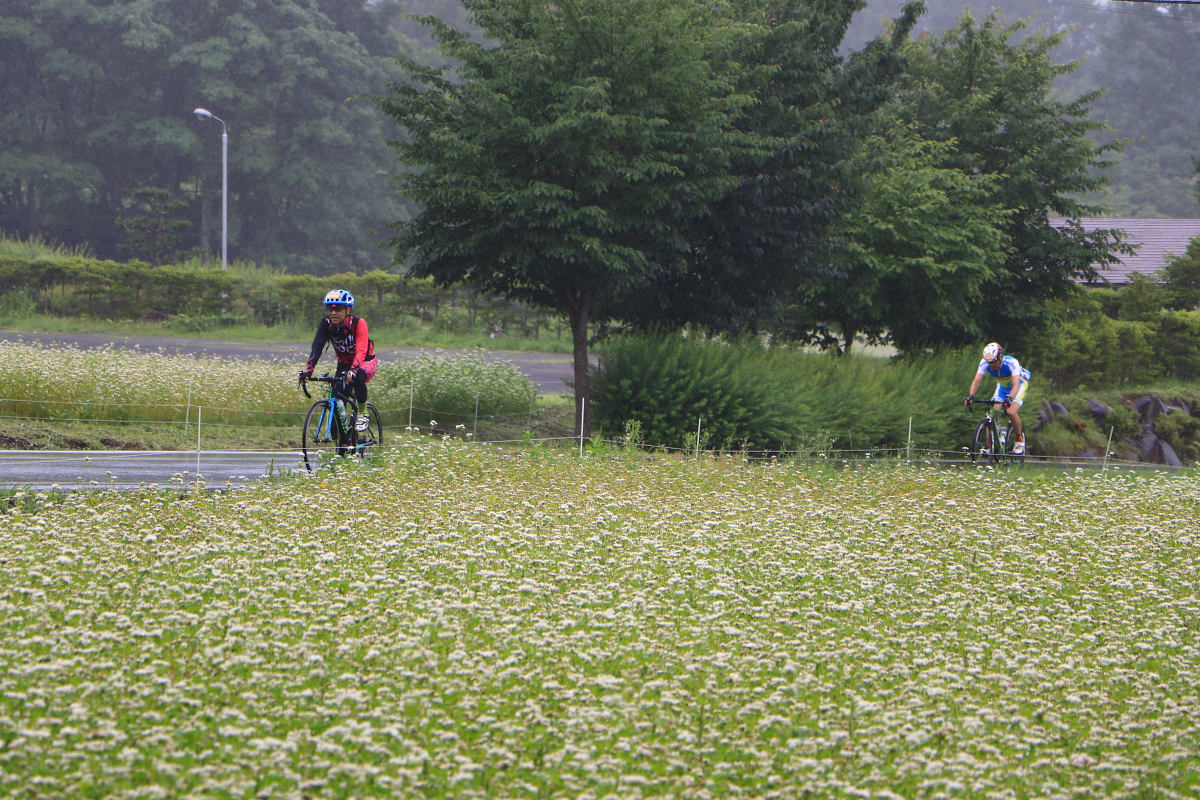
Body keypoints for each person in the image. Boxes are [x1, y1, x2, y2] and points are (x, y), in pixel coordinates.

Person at [299, 289, 377, 426]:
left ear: (347, 310)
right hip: (343, 364)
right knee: (336, 411)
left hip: (365, 361)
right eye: (330, 309)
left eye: (338, 309)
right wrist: (308, 371)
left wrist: (353, 371)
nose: (333, 313)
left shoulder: (359, 323)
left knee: (358, 376)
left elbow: (361, 350)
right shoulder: (326, 324)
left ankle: (363, 412)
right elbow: (317, 348)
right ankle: (342, 442)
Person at [965, 342, 1031, 455]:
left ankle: (1019, 439)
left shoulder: (1012, 363)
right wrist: (971, 395)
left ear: (1000, 357)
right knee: (992, 414)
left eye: (994, 362)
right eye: (989, 363)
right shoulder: (984, 363)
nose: (992, 365)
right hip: (1002, 387)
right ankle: (990, 446)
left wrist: (1010, 398)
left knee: (1011, 411)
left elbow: (1015, 385)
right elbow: (977, 381)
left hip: (1018, 386)